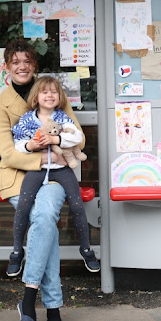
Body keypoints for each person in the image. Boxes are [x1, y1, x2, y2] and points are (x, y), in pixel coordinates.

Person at [0, 38, 85, 321]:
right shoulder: (0, 104)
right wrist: (45, 153)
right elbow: (8, 154)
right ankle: (54, 311)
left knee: (44, 219)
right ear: (6, 66)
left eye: (27, 61)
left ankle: (29, 298)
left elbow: (79, 139)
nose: (22, 67)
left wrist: (58, 147)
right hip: (18, 178)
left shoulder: (51, 93)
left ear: (34, 65)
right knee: (46, 221)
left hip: (56, 176)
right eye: (15, 62)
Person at [8, 76, 99, 276]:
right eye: (44, 92)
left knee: (76, 205)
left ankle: (86, 249)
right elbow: (17, 143)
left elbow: (77, 136)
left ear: (60, 97)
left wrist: (56, 138)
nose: (49, 96)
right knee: (23, 205)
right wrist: (31, 145)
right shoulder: (27, 119)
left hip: (61, 169)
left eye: (54, 92)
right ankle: (16, 252)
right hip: (36, 169)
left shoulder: (62, 118)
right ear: (36, 97)